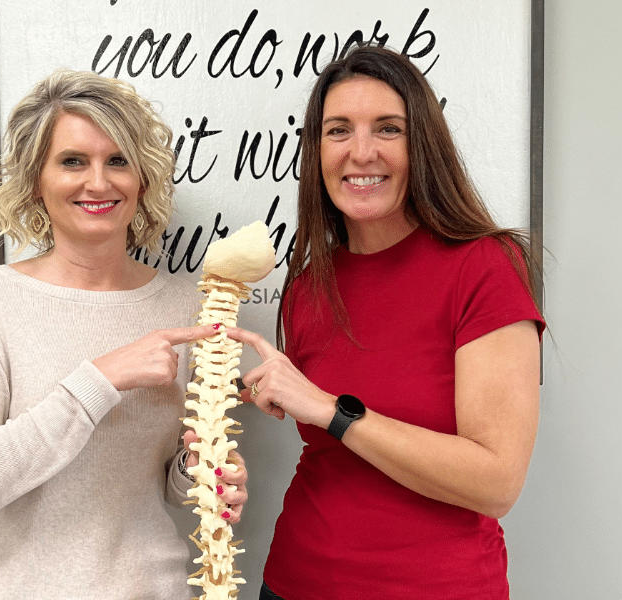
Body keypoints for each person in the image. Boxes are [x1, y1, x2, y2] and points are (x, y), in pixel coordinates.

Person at [225, 45, 545, 599]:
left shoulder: (484, 266)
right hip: (293, 582)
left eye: (388, 129)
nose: (361, 152)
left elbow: (496, 483)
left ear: (422, 144)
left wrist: (331, 410)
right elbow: (325, 440)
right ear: (316, 149)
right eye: (339, 130)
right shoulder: (307, 283)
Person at [0, 69, 247, 600]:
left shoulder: (185, 306)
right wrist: (100, 379)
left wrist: (201, 472)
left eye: (117, 161)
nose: (98, 183)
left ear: (141, 178)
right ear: (36, 180)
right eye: (73, 161)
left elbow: (165, 485)